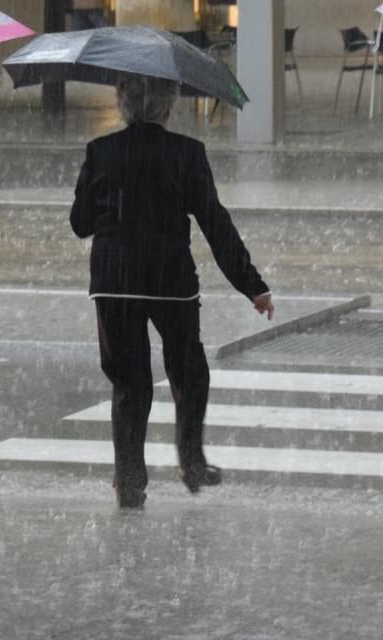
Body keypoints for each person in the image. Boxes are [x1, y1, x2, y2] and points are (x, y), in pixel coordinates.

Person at [71, 76, 274, 509]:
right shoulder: (187, 153)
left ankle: (129, 482)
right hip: (169, 281)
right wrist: (251, 285)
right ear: (167, 108)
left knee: (130, 382)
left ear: (122, 103)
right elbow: (214, 223)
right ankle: (192, 462)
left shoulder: (101, 151)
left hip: (115, 282)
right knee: (189, 372)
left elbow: (80, 223)